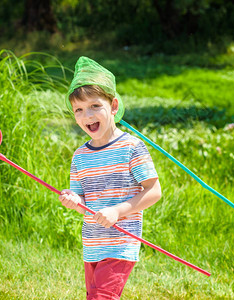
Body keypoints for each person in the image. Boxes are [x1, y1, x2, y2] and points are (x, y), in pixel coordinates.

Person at [58, 56, 161, 300]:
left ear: (113, 106)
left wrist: (118, 211)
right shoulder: (80, 156)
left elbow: (154, 191)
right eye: (79, 110)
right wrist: (73, 199)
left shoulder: (131, 147)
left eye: (95, 106)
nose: (87, 115)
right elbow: (81, 200)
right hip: (92, 244)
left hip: (121, 244)